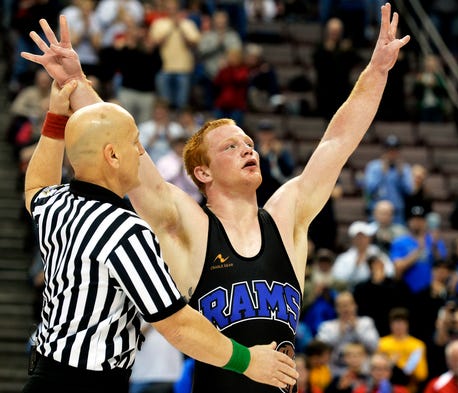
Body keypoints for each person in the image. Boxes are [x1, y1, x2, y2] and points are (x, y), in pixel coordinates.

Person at [23, 5, 410, 392]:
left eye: (249, 143)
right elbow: (120, 144)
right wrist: (76, 81)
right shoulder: (187, 225)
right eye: (230, 146)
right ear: (202, 173)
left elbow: (337, 141)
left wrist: (376, 72)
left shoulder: (286, 215)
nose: (247, 149)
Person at [19, 18, 297, 393]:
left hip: (44, 376)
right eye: (135, 142)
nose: (142, 151)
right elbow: (176, 323)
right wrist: (249, 361)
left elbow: (36, 185)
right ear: (113, 156)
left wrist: (58, 115)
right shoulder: (125, 232)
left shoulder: (57, 205)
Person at [363, 134, 414, 225]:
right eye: (389, 150)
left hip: (397, 214)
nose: (392, 153)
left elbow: (409, 191)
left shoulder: (404, 168)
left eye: (394, 150)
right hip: (377, 214)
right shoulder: (374, 167)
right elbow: (369, 189)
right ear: (384, 151)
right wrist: (382, 173)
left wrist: (400, 175)